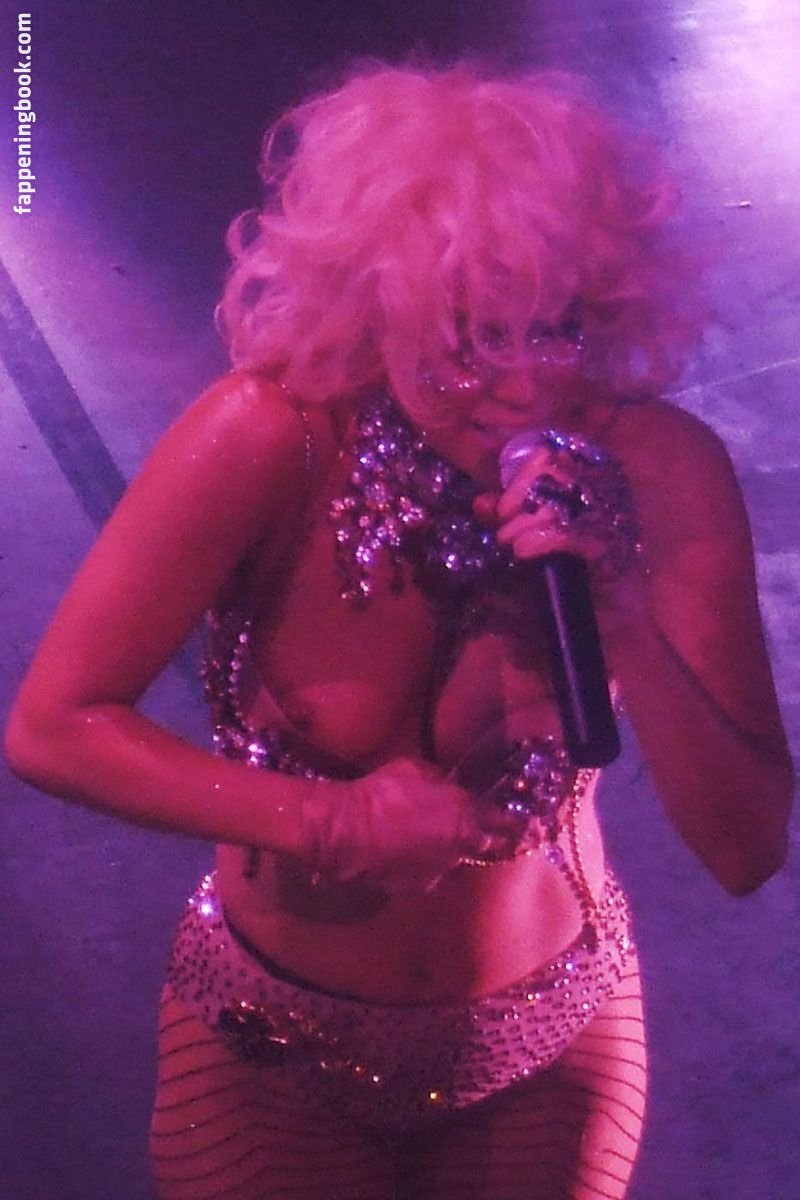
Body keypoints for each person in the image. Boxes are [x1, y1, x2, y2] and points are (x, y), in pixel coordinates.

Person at [5, 59, 793, 1200]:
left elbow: (745, 847)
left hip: (555, 1047)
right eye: (469, 338)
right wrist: (324, 818)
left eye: (554, 329)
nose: (521, 387)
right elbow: (52, 727)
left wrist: (619, 604)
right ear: (379, 308)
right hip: (274, 1051)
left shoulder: (659, 466)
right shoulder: (266, 437)